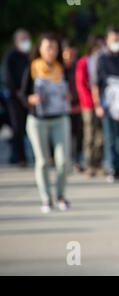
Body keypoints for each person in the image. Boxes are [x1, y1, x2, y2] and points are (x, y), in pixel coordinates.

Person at [19, 33, 71, 213]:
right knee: (42, 161)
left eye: (54, 47)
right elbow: (22, 94)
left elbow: (71, 91)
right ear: (40, 49)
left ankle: (61, 196)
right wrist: (31, 99)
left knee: (63, 161)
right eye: (47, 47)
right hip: (37, 120)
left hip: (59, 118)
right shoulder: (33, 68)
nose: (51, 51)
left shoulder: (61, 68)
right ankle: (46, 199)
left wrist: (69, 97)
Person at [93, 27, 119, 182]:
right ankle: (112, 167)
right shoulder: (101, 58)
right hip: (108, 103)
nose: (117, 43)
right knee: (110, 136)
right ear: (107, 41)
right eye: (114, 40)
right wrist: (98, 104)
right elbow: (96, 84)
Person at [75, 35, 105, 177]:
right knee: (89, 135)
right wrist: (93, 102)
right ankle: (89, 164)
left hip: (102, 104)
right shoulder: (83, 62)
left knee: (101, 135)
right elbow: (81, 85)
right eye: (97, 47)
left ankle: (98, 163)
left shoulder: (102, 61)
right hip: (88, 104)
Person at [3, 29, 32, 167]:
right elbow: (8, 78)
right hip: (14, 98)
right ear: (16, 42)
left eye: (27, 39)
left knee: (29, 127)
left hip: (29, 98)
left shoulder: (30, 57)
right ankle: (20, 158)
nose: (26, 42)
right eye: (23, 39)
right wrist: (19, 93)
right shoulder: (11, 56)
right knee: (17, 127)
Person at [63, 40, 83, 172]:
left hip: (79, 105)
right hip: (63, 107)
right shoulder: (60, 69)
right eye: (67, 54)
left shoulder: (79, 67)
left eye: (72, 54)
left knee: (79, 135)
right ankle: (65, 161)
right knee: (66, 136)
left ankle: (77, 160)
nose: (70, 57)